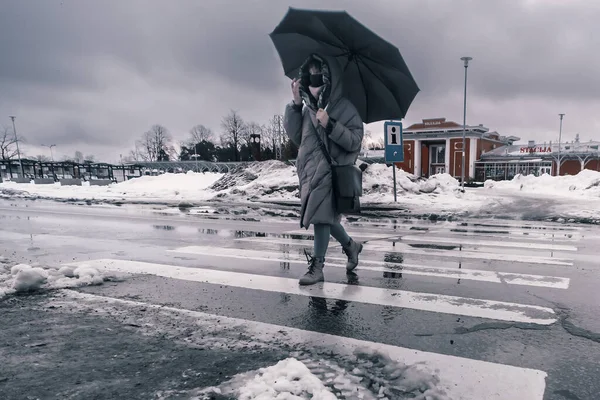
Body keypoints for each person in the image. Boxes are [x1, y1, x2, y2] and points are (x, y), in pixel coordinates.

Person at [283, 53, 364, 286]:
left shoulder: (345, 107)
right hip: (310, 170)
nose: (313, 82)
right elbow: (297, 137)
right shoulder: (307, 109)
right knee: (324, 216)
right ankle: (351, 246)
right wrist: (296, 104)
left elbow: (354, 141)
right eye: (309, 76)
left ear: (330, 79)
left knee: (320, 217)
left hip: (333, 171)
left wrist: (330, 124)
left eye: (319, 75)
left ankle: (317, 267)